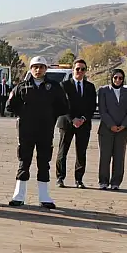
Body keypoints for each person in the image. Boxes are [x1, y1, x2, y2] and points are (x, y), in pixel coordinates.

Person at [7, 57, 69, 208]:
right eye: (35, 67)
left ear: (45, 69)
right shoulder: (22, 86)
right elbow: (10, 105)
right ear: (30, 68)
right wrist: (24, 114)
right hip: (26, 130)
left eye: (41, 67)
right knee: (24, 161)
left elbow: (63, 106)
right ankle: (19, 195)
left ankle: (44, 196)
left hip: (45, 130)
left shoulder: (54, 87)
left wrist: (49, 116)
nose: (38, 70)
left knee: (44, 161)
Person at [55, 59, 97, 188]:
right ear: (73, 70)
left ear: (85, 71)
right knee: (63, 151)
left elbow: (92, 106)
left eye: (82, 69)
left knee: (81, 152)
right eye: (77, 69)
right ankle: (60, 178)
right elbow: (61, 104)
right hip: (67, 123)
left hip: (83, 124)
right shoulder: (64, 85)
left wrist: (83, 119)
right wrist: (72, 119)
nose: (80, 71)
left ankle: (79, 179)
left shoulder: (90, 87)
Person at [96, 68, 127, 190]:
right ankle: (103, 181)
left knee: (119, 157)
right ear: (111, 78)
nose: (118, 80)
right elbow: (103, 110)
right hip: (106, 129)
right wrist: (111, 125)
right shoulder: (103, 91)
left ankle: (116, 182)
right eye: (115, 77)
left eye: (120, 78)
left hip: (122, 130)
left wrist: (123, 125)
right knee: (105, 156)